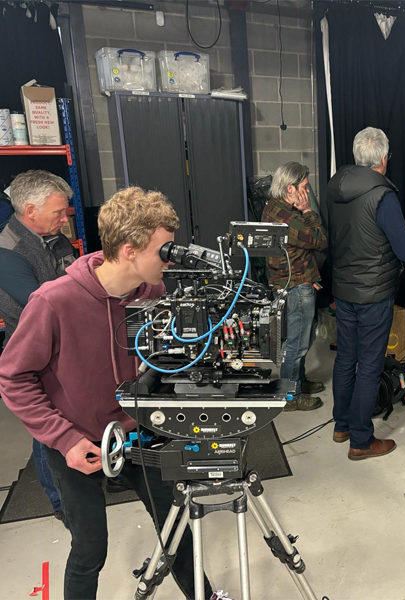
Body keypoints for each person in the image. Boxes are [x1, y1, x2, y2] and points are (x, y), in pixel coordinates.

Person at [0, 187, 212, 600]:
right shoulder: (53, 301)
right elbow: (13, 377)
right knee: (89, 548)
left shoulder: (153, 294)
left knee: (179, 531)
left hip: (139, 434)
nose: (170, 259)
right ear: (130, 250)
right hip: (76, 441)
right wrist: (64, 439)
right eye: (163, 250)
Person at [325, 127, 405, 460]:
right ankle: (362, 441)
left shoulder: (334, 188)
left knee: (346, 358)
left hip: (344, 289)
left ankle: (342, 425)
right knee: (369, 365)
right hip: (374, 293)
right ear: (382, 159)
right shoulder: (383, 195)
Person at [0, 170, 76, 523]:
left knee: (80, 409)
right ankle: (59, 501)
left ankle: (102, 469)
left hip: (67, 342)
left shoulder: (54, 237)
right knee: (47, 427)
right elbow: (39, 304)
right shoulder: (7, 251)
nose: (65, 218)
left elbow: (74, 278)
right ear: (31, 210)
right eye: (59, 211)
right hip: (34, 353)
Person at [262, 161, 328, 412]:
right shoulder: (287, 216)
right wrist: (309, 210)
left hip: (297, 281)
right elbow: (320, 241)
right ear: (290, 188)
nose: (307, 191)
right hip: (296, 285)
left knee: (302, 337)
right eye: (304, 186)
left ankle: (298, 381)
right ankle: (290, 396)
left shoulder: (275, 206)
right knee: (297, 344)